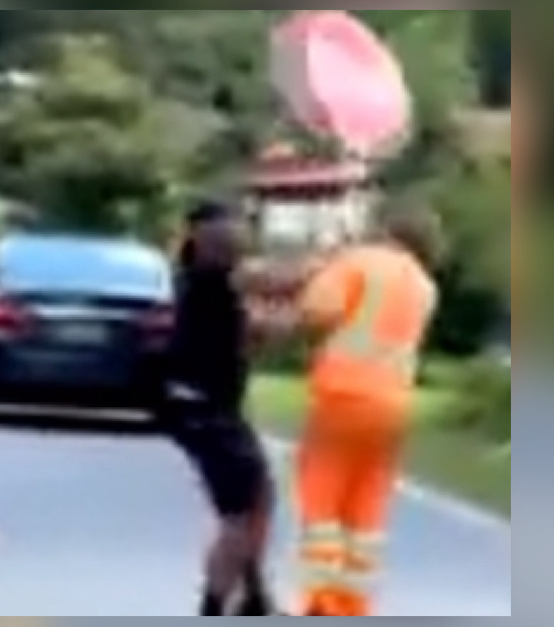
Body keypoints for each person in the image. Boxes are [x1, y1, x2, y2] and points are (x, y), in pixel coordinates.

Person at [289, 206, 443, 616]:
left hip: (344, 396)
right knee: (366, 509)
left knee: (322, 502)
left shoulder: (358, 261)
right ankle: (352, 603)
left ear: (385, 229)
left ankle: (321, 603)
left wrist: (317, 275)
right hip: (393, 405)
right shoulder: (425, 284)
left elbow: (316, 312)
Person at [160, 200, 279, 616]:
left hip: (207, 407)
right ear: (210, 239)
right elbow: (274, 280)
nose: (241, 237)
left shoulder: (207, 281)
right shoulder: (213, 278)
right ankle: (214, 607)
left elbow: (249, 335)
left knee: (260, 495)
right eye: (233, 230)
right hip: (206, 410)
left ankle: (253, 593)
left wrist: (257, 330)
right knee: (238, 515)